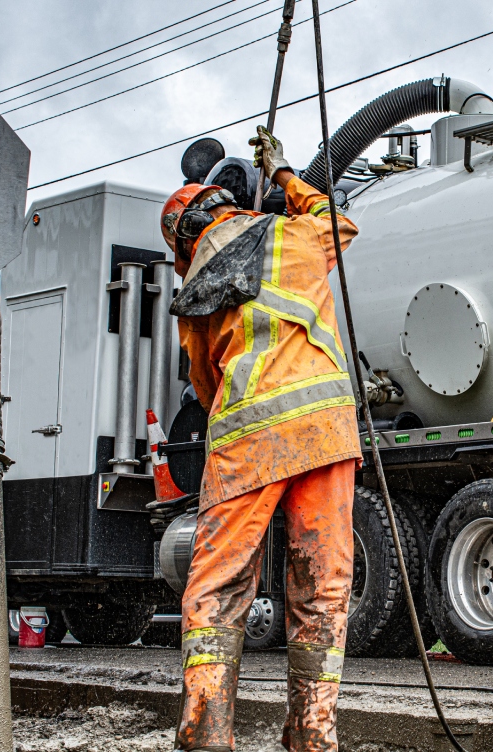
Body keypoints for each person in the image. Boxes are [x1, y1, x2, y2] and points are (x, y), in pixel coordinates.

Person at [159, 127, 361, 752]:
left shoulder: (196, 295)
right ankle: (312, 736)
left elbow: (204, 381)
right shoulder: (295, 237)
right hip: (327, 433)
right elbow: (341, 224)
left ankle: (207, 735)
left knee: (217, 588)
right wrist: (283, 175)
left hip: (250, 439)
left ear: (186, 241)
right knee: (321, 587)